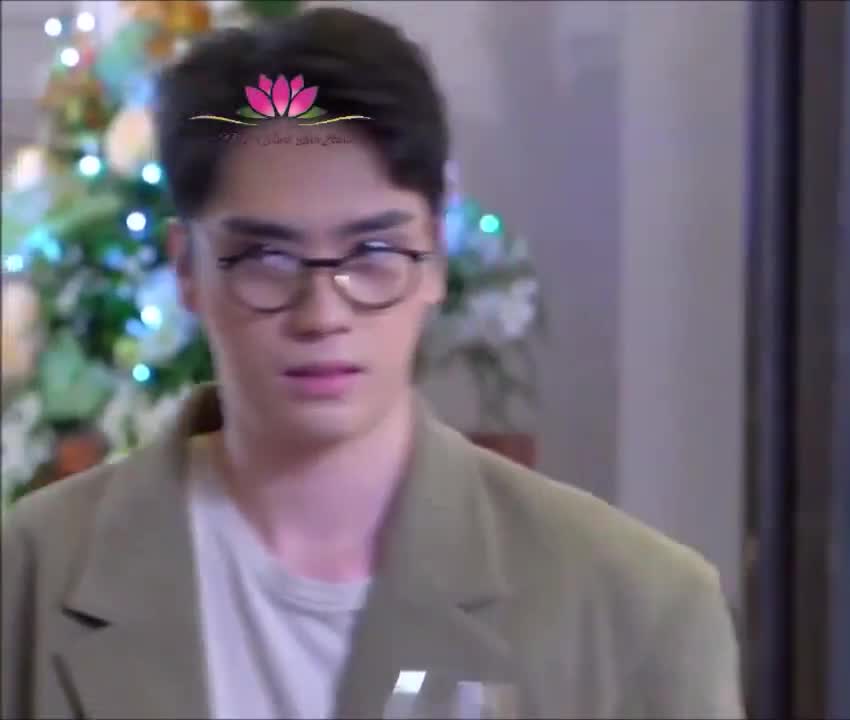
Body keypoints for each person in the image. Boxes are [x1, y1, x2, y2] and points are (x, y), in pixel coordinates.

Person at [0, 8, 742, 719]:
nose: (322, 314)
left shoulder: (635, 609)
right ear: (188, 270)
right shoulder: (29, 578)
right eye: (266, 258)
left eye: (374, 253)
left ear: (436, 259)